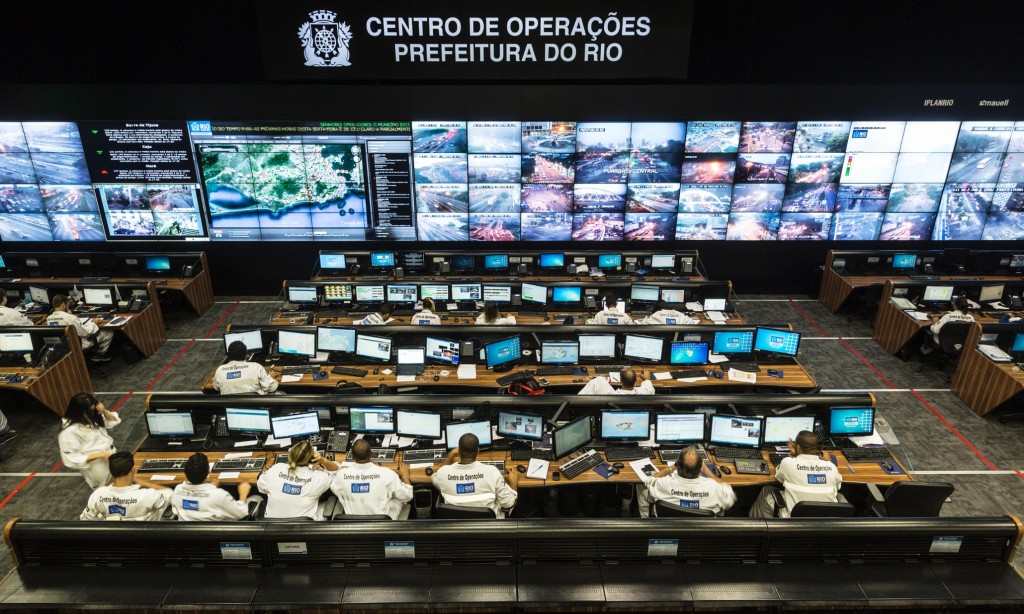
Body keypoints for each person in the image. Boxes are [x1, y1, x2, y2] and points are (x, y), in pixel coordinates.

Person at [749, 430, 842, 518]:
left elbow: (779, 478)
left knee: (767, 490)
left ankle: (756, 526)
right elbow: (838, 486)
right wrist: (829, 463)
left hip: (794, 519)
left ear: (797, 447)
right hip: (826, 520)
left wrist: (794, 456)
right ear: (817, 448)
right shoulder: (832, 467)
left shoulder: (788, 463)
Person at [432, 433, 518, 518]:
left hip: (456, 526)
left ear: (459, 451)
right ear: (478, 451)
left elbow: (434, 477)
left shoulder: (443, 473)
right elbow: (508, 504)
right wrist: (513, 484)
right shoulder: (492, 472)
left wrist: (450, 455)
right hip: (488, 527)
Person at [637, 447, 736, 517]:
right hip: (702, 534)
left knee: (640, 487)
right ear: (700, 468)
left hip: (668, 529)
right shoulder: (715, 488)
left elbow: (650, 480)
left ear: (678, 466)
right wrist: (707, 470)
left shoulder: (663, 484)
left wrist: (672, 467)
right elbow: (729, 499)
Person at [331, 439, 413, 519]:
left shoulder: (341, 475)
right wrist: (405, 476)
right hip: (383, 527)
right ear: (372, 454)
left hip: (353, 528)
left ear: (352, 456)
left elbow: (335, 489)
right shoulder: (387, 474)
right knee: (398, 499)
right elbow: (407, 496)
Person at [257, 441, 339, 520]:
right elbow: (336, 472)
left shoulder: (276, 469)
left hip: (272, 528)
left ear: (290, 454)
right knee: (329, 503)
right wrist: (323, 460)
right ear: (312, 458)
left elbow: (261, 488)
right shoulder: (318, 477)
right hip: (304, 529)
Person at [80, 451, 171, 521]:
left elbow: (86, 518)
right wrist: (143, 483)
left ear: (111, 472)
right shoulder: (148, 495)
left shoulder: (98, 495)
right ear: (133, 470)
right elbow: (171, 494)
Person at [171, 452, 261, 521]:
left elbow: (197, 500)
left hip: (189, 535)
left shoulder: (177, 490)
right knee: (257, 497)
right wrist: (243, 494)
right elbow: (241, 513)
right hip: (219, 534)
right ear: (208, 471)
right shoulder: (219, 495)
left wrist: (211, 487)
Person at [58, 392, 121, 488]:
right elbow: (71, 459)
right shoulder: (68, 431)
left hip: (110, 456)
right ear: (78, 411)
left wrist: (103, 411)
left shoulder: (91, 415)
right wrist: (101, 454)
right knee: (107, 491)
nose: (92, 414)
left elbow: (112, 421)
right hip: (97, 466)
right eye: (88, 412)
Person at [46, 294, 113, 362]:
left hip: (62, 346)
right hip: (78, 344)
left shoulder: (49, 318)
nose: (68, 307)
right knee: (108, 332)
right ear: (63, 304)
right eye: (67, 305)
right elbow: (86, 333)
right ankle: (99, 355)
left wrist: (70, 315)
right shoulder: (70, 318)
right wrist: (94, 323)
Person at [213, 340, 280, 395]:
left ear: (228, 355)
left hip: (231, 408)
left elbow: (216, 388)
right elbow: (272, 387)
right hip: (256, 406)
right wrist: (270, 377)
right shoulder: (256, 367)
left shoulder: (220, 370)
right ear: (246, 354)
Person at [577, 368, 656, 395]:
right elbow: (649, 388)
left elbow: (598, 382)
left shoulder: (612, 395)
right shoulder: (643, 393)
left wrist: (597, 379)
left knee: (598, 380)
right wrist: (647, 378)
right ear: (635, 381)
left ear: (620, 380)